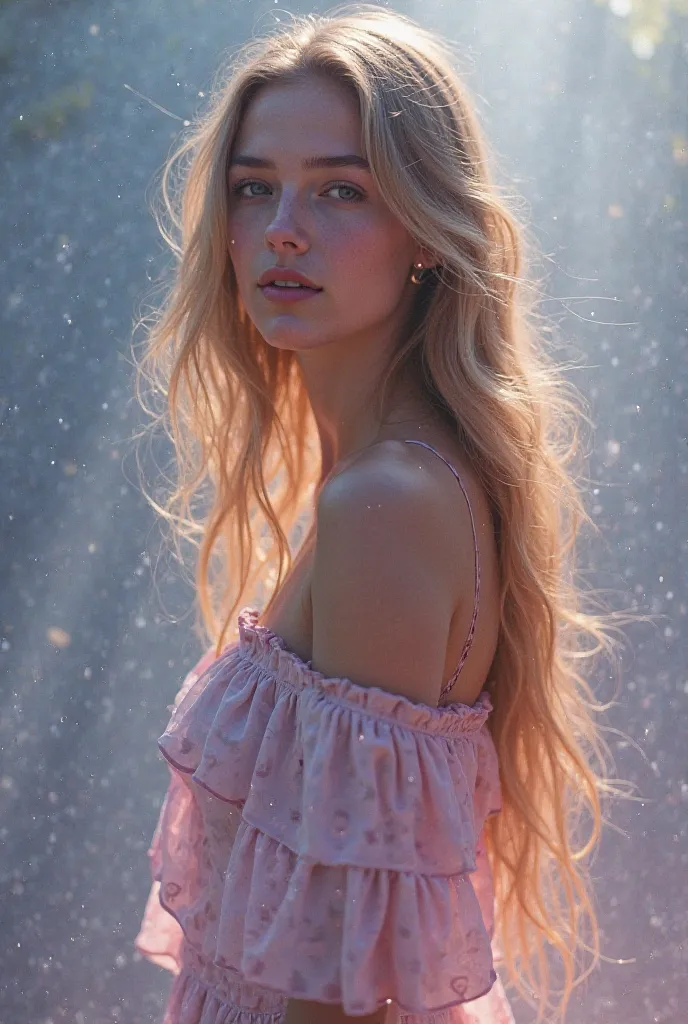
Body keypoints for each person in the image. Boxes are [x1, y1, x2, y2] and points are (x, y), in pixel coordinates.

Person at [133, 7, 622, 1022]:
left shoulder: (384, 503)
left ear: (426, 233)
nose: (282, 229)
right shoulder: (382, 475)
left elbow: (344, 992)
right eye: (254, 186)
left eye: (340, 190)